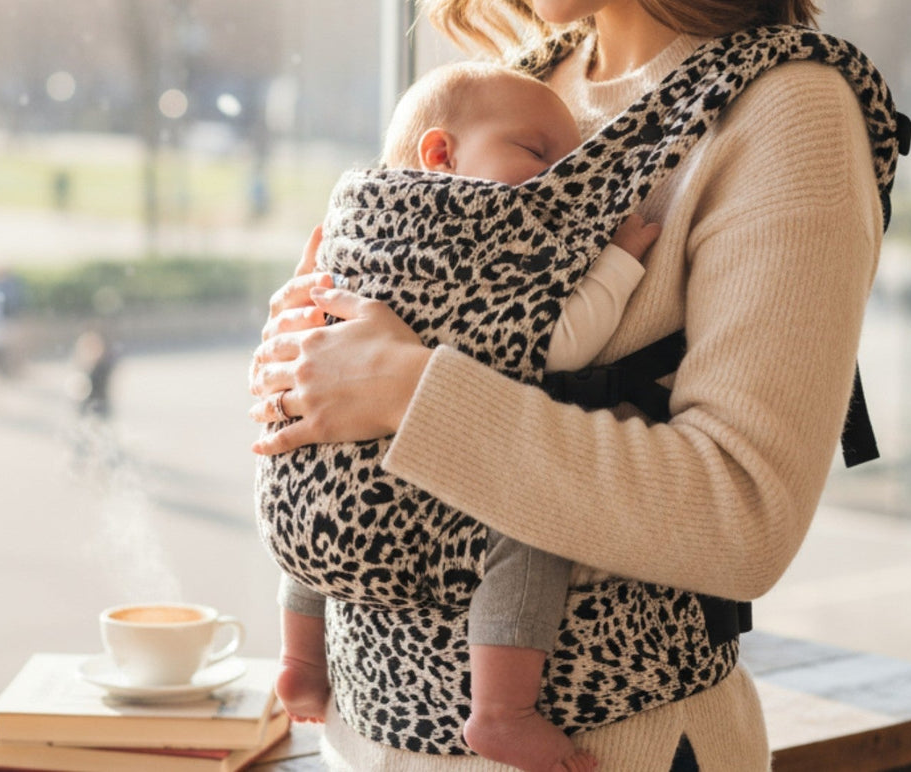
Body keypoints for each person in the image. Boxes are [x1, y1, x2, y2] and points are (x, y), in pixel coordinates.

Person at [249, 0, 905, 768]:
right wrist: (304, 350)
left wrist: (410, 390)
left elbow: (739, 515)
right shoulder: (516, 91)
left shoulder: (782, 112)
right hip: (376, 738)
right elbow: (378, 341)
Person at [272, 60, 660, 772]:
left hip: (327, 491)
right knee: (535, 519)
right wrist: (619, 263)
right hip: (428, 496)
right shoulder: (483, 249)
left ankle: (300, 660)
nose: (556, 181)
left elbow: (305, 321)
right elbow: (557, 341)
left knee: (312, 497)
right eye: (538, 156)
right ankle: (503, 710)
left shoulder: (355, 225)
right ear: (441, 155)